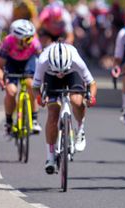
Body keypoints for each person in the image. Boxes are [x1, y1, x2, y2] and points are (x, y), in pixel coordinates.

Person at [33, 42, 97, 174]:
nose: (61, 74)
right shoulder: (43, 61)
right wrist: (39, 98)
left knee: (76, 101)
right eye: (57, 71)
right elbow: (35, 87)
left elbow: (92, 83)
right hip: (51, 79)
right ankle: (50, 158)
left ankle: (80, 130)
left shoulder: (76, 60)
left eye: (63, 71)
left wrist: (91, 97)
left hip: (73, 74)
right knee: (52, 113)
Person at [0, 19, 42, 136]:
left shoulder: (35, 44)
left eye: (31, 37)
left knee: (31, 85)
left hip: (28, 62)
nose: (30, 41)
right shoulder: (7, 43)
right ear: (17, 38)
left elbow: (42, 63)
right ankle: (9, 121)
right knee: (11, 92)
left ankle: (34, 119)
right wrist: (1, 79)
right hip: (12, 64)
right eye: (27, 39)